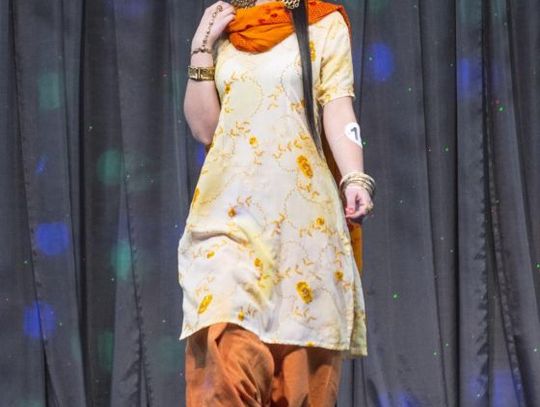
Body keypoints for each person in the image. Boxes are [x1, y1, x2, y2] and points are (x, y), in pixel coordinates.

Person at [178, 0, 375, 405]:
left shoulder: (322, 21)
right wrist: (201, 47)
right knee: (223, 356)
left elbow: (338, 107)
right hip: (227, 217)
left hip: (302, 227)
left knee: (299, 379)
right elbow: (204, 128)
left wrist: (355, 177)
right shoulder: (224, 24)